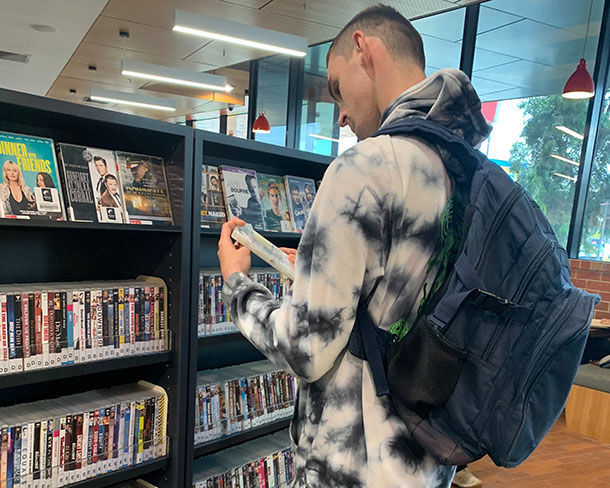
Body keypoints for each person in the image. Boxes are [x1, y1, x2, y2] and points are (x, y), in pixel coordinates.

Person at [218, 5, 491, 487]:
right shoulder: (470, 170)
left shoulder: (364, 169)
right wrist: (304, 274)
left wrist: (237, 285)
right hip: (427, 460)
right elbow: (395, 303)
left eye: (338, 88)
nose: (340, 115)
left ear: (365, 49)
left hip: (352, 467)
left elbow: (306, 349)